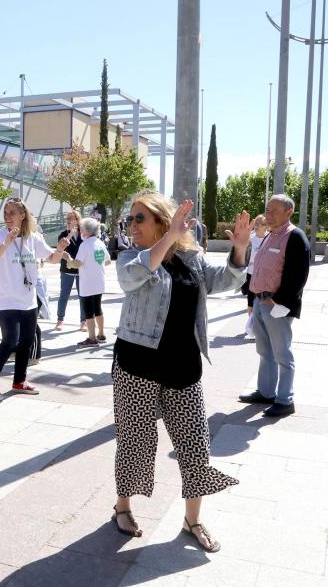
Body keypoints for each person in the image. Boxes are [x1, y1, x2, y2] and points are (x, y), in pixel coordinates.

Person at [112, 193, 251, 552]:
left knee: (196, 448)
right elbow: (132, 279)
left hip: (184, 369)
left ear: (161, 219)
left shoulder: (193, 258)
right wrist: (168, 238)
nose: (131, 225)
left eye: (139, 218)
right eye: (130, 219)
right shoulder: (132, 256)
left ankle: (193, 519)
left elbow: (227, 281)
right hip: (136, 367)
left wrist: (239, 250)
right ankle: (123, 506)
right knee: (135, 444)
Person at [0, 199, 68, 400]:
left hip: (28, 299)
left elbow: (52, 259)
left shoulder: (34, 238)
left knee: (27, 341)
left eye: (12, 212)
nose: (7, 216)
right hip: (6, 299)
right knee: (10, 340)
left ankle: (19, 381)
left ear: (22, 215)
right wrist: (7, 242)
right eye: (6, 212)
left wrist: (60, 249)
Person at [238, 194, 311, 417]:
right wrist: (251, 292)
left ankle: (285, 400)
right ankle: (266, 392)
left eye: (273, 211)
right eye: (267, 210)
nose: (268, 214)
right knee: (265, 350)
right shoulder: (270, 235)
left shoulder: (295, 237)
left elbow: (298, 276)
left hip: (276, 305)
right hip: (261, 302)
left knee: (282, 354)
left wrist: (279, 302)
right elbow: (259, 267)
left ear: (289, 212)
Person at [67, 218, 110, 346]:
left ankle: (92, 338)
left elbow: (77, 263)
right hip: (99, 281)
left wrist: (68, 261)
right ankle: (101, 334)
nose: (80, 230)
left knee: (88, 310)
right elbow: (107, 261)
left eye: (81, 228)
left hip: (88, 283)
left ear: (86, 230)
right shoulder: (100, 243)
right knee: (98, 308)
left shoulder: (85, 245)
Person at [56, 210, 86, 331]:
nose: (70, 221)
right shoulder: (63, 234)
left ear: (78, 221)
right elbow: (60, 248)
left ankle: (83, 321)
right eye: (69, 219)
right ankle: (60, 320)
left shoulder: (84, 234)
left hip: (81, 269)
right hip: (67, 269)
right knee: (64, 294)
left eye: (73, 219)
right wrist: (69, 235)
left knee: (83, 295)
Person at [242, 214, 268, 339]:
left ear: (266, 226)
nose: (256, 226)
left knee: (262, 300)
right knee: (250, 299)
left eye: (259, 224)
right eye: (255, 223)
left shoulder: (269, 238)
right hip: (251, 273)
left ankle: (260, 326)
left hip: (264, 275)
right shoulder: (251, 239)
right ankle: (251, 326)